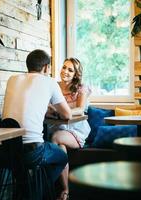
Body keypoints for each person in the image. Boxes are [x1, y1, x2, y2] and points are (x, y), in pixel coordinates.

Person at [2, 49, 72, 199]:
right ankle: (34, 191)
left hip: (6, 151)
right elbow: (67, 114)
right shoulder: (50, 82)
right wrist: (52, 110)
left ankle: (27, 190)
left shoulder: (12, 79)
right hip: (32, 153)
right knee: (62, 158)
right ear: (46, 67)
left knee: (27, 166)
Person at [48, 58, 91, 200]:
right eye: (64, 67)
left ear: (75, 74)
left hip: (77, 129)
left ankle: (50, 182)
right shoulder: (53, 86)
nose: (65, 71)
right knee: (60, 144)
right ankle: (65, 190)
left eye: (70, 70)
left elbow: (80, 109)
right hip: (58, 126)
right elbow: (47, 107)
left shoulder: (81, 88)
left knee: (55, 138)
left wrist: (62, 112)